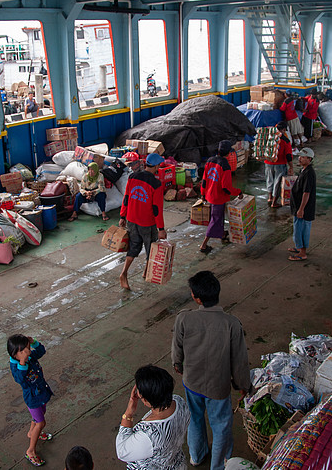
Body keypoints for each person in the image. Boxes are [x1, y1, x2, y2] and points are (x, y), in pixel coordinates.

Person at [172, 271, 251, 470]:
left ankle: (196, 456)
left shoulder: (184, 318)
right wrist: (243, 385)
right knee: (221, 425)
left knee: (194, 418)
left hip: (192, 382)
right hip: (218, 386)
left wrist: (178, 365)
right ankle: (218, 465)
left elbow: (177, 347)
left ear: (196, 297)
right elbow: (240, 361)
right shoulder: (232, 324)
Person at [115, 365, 191, 470]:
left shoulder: (149, 435)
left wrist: (128, 414)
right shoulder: (179, 402)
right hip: (177, 464)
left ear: (145, 400)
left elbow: (122, 451)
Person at [119, 153, 167, 289]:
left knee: (133, 247)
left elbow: (126, 198)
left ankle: (124, 273)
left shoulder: (132, 176)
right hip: (147, 223)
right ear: (156, 166)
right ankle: (146, 273)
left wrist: (122, 216)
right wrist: (161, 229)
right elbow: (156, 209)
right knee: (150, 249)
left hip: (132, 220)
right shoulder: (156, 184)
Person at [7, 334, 54, 467]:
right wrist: (23, 362)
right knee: (41, 423)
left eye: (28, 348)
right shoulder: (17, 366)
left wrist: (34, 342)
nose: (28, 352)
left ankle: (31, 433)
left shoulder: (29, 356)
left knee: (40, 415)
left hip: (41, 394)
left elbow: (41, 351)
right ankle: (31, 451)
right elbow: (20, 379)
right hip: (33, 399)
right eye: (23, 351)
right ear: (14, 354)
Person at [199, 141, 242, 253]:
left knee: (218, 217)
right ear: (228, 153)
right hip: (218, 197)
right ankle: (204, 245)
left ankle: (222, 234)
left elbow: (204, 180)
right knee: (215, 219)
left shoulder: (210, 160)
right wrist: (238, 192)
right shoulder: (225, 166)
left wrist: (203, 194)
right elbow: (226, 187)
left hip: (209, 194)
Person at [289, 148, 316, 261]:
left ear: (309, 159)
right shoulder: (303, 170)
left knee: (303, 228)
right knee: (297, 227)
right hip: (298, 206)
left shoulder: (309, 173)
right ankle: (298, 246)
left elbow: (306, 193)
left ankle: (303, 252)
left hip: (304, 208)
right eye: (299, 156)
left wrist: (301, 209)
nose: (299, 159)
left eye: (302, 157)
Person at [264, 123, 293, 208]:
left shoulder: (269, 137)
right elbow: (288, 155)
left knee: (269, 180)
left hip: (268, 162)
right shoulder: (285, 140)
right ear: (283, 130)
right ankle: (274, 202)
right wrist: (291, 166)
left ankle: (270, 198)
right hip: (280, 164)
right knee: (277, 183)